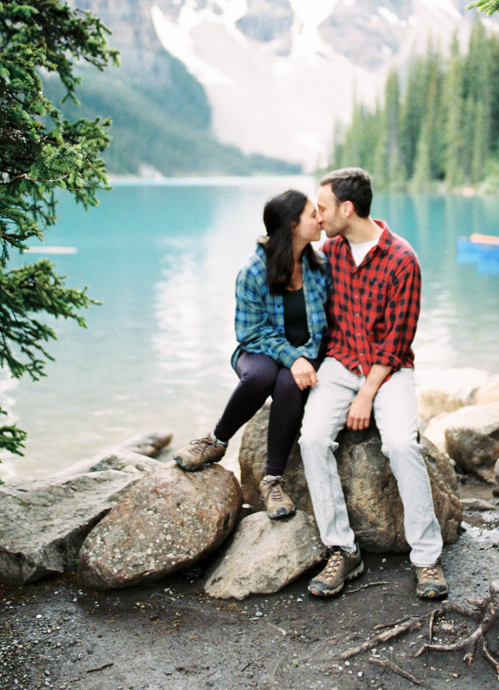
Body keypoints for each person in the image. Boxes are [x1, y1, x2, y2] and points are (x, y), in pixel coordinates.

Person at [299, 168, 447, 599]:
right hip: (341, 361)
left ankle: (427, 558)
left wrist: (367, 393)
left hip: (390, 368)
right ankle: (344, 551)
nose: (318, 216)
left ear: (348, 208)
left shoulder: (403, 259)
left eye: (323, 208)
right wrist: (269, 242)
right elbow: (288, 258)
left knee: (402, 444)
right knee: (311, 440)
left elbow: (399, 338)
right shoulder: (330, 251)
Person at [174, 189, 330, 520]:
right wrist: (292, 357)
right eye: (312, 214)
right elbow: (250, 332)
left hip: (307, 353)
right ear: (292, 225)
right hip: (258, 349)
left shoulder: (320, 267)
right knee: (262, 376)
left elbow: (328, 326)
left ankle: (272, 482)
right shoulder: (254, 271)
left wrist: (307, 360)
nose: (321, 219)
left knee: (290, 385)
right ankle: (215, 441)